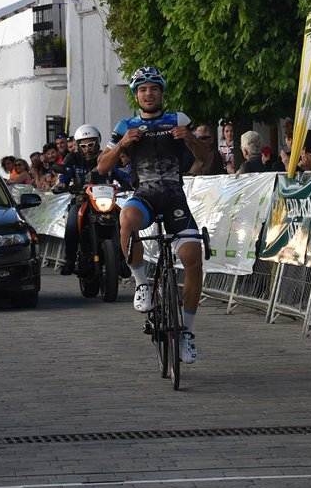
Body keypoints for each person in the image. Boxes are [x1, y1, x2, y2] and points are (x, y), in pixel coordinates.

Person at [97, 67, 210, 364]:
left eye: (154, 89)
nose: (149, 94)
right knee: (127, 219)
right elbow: (101, 167)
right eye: (143, 89)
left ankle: (187, 332)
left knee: (193, 259)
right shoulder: (126, 125)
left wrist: (190, 139)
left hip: (174, 197)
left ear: (161, 93)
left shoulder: (179, 120)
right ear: (136, 95)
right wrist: (122, 144)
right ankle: (143, 283)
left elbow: (207, 159)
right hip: (145, 194)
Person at [56, 123, 133, 275]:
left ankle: (123, 260)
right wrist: (60, 184)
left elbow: (122, 174)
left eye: (91, 144)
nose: (88, 148)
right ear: (78, 145)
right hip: (82, 201)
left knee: (125, 221)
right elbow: (63, 175)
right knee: (72, 222)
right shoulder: (72, 158)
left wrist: (132, 182)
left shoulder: (106, 157)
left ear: (98, 142)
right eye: (83, 145)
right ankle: (70, 260)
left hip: (107, 202)